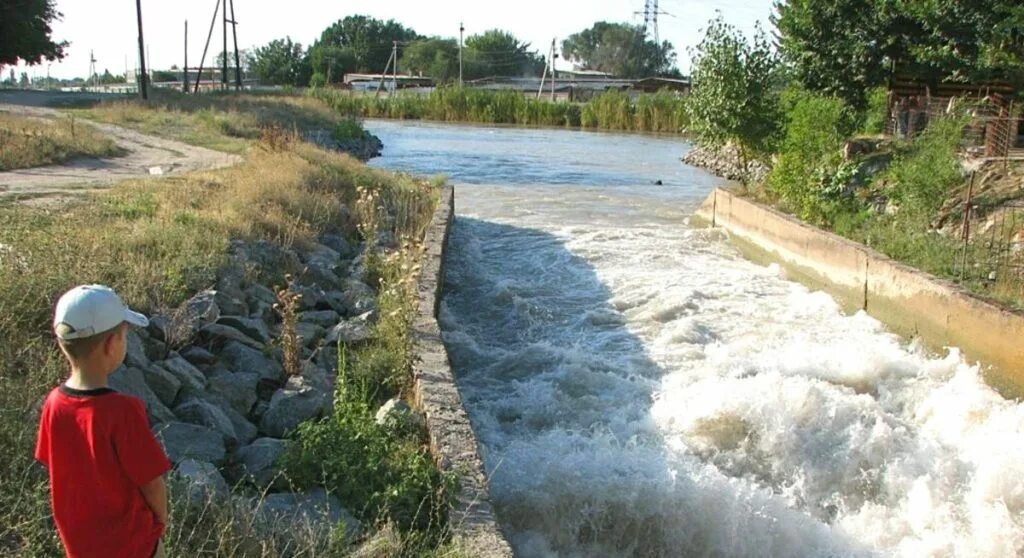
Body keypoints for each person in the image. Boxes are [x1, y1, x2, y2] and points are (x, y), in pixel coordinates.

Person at [35, 285, 171, 557]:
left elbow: (54, 464)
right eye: (124, 335)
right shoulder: (123, 411)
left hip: (81, 546)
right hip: (132, 546)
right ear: (111, 345)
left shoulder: (53, 403)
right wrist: (161, 523)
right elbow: (152, 483)